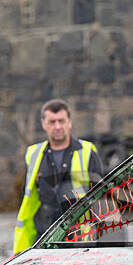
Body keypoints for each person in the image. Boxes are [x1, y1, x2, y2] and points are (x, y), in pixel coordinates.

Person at [13, 99, 104, 253]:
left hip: (79, 239)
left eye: (61, 121)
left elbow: (101, 201)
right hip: (43, 237)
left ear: (70, 122)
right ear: (43, 123)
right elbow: (27, 198)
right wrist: (21, 248)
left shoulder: (87, 152)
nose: (57, 126)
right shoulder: (33, 154)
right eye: (52, 122)